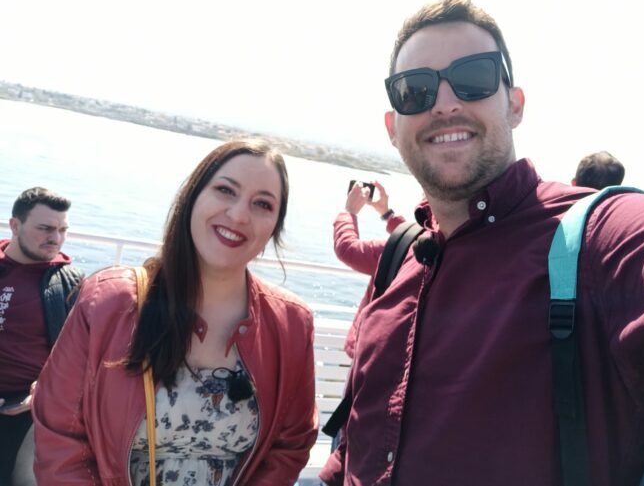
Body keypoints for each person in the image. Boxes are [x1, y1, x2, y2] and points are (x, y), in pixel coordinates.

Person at [320, 0, 644, 486]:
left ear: (514, 105)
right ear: (393, 127)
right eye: (415, 90)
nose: (445, 103)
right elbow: (358, 441)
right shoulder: (400, 262)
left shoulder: (597, 239)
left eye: (473, 77)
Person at [33, 140, 318, 485]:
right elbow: (60, 437)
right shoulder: (108, 302)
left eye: (262, 204)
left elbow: (291, 442)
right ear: (192, 196)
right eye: (226, 190)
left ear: (275, 226)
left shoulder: (291, 325)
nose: (239, 215)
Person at [0, 187, 83, 486]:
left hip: (24, 408)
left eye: (63, 230)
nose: (56, 238)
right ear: (15, 225)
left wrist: (43, 390)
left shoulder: (71, 285)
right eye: (45, 228)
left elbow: (80, 356)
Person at [334, 180, 405, 359]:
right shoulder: (447, 246)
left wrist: (349, 211)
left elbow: (348, 249)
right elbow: (416, 236)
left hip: (374, 352)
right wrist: (387, 214)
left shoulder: (403, 252)